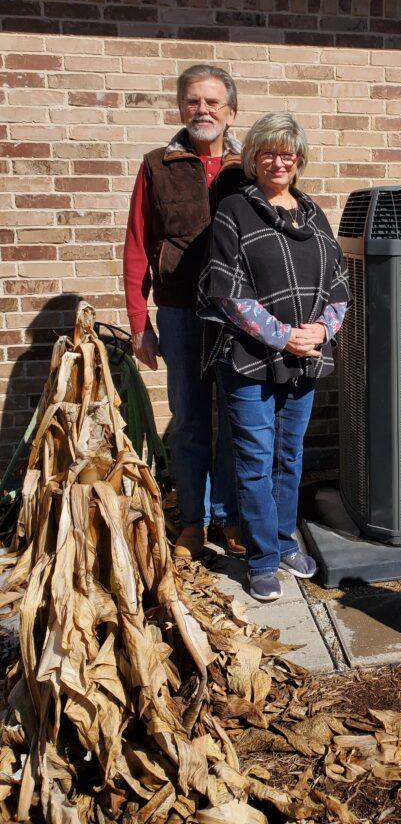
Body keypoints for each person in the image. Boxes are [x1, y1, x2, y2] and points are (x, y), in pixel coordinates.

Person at [198, 112, 349, 601]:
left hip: (304, 358)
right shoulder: (234, 211)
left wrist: (323, 328)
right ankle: (261, 560)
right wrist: (284, 335)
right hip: (248, 360)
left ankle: (284, 541)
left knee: (290, 456)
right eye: (267, 152)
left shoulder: (315, 215)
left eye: (287, 153)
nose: (278, 161)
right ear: (254, 159)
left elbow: (341, 287)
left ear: (299, 159)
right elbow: (228, 292)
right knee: (255, 460)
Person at [123, 64, 245, 561]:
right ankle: (193, 521)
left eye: (213, 102)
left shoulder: (250, 166)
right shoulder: (158, 165)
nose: (203, 110)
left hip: (241, 316)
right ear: (180, 108)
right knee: (190, 421)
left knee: (240, 420)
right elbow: (136, 246)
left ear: (231, 112)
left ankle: (232, 516)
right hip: (179, 314)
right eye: (194, 101)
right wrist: (139, 325)